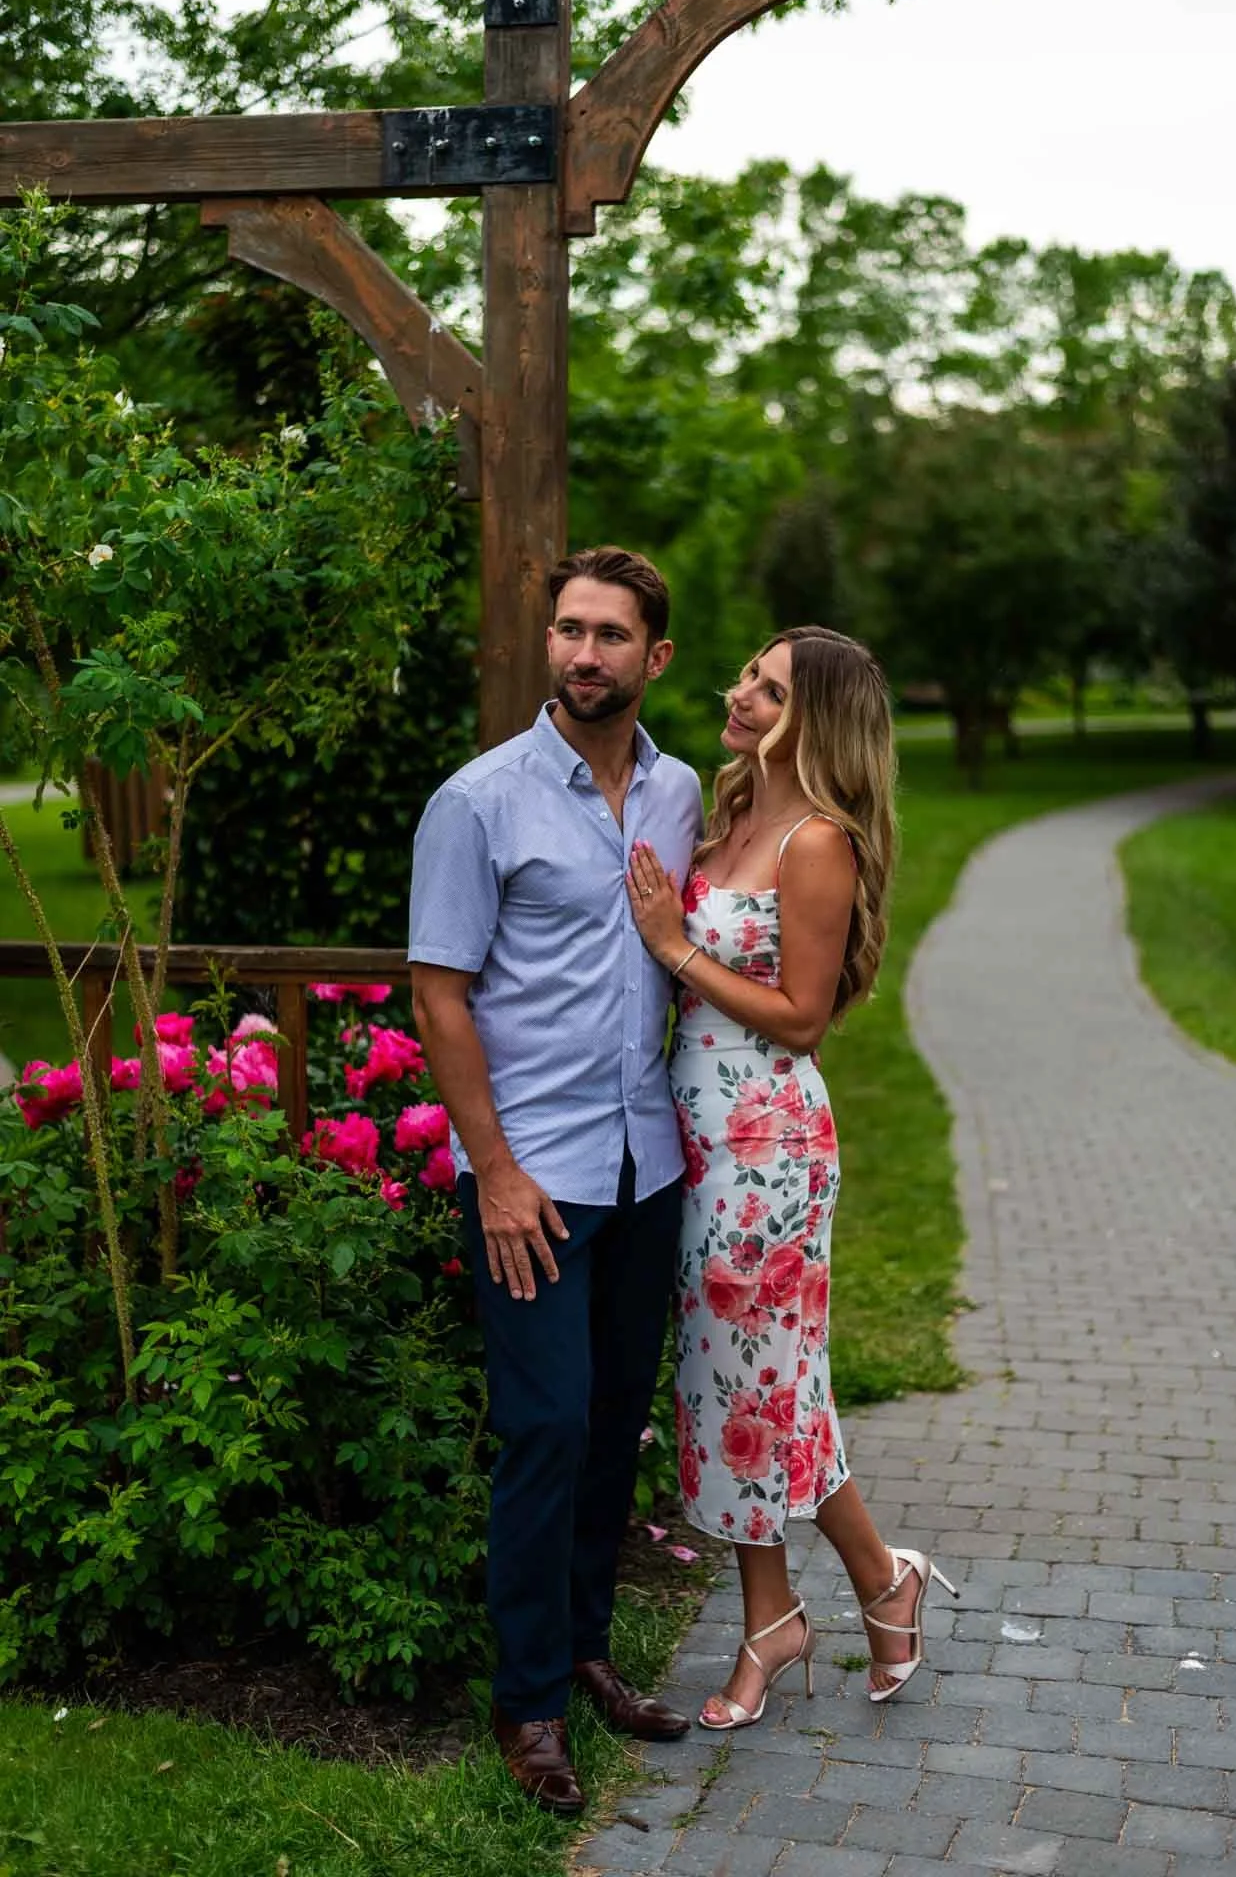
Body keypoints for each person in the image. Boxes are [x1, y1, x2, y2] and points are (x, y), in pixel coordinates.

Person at [408, 546, 704, 1815]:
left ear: (655, 657)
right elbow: (439, 993)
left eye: (610, 635)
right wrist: (493, 1172)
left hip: (645, 1165)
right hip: (533, 1177)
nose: (585, 653)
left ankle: (585, 1651)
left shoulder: (679, 792)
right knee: (542, 1429)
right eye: (569, 630)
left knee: (608, 1422)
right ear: (549, 644)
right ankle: (526, 1701)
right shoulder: (478, 800)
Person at [625, 625, 959, 1730]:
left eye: (767, 691)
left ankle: (848, 1592)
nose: (738, 694)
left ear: (814, 722)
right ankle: (824, 1601)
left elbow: (802, 1018)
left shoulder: (816, 842)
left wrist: (674, 946)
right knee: (738, 1385)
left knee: (759, 1386)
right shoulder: (728, 813)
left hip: (767, 1147)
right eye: (746, 676)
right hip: (696, 1132)